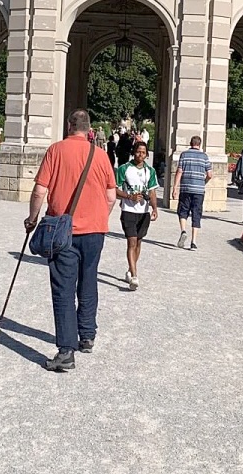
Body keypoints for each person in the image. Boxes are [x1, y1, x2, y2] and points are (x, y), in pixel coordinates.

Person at [25, 109, 116, 372]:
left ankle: (66, 351)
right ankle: (86, 335)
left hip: (63, 233)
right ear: (90, 130)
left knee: (63, 290)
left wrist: (32, 219)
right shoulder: (100, 155)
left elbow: (40, 190)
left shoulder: (56, 150)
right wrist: (98, 218)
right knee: (89, 281)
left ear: (68, 126)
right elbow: (111, 197)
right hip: (95, 231)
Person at [116, 140, 159, 288]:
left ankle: (130, 269)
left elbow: (152, 191)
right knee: (131, 241)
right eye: (138, 151)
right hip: (128, 210)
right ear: (133, 153)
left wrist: (155, 208)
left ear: (147, 155)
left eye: (143, 152)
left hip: (143, 211)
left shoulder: (150, 171)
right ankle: (134, 275)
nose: (140, 154)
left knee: (139, 242)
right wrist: (129, 197)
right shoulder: (124, 169)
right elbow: (114, 190)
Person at [171, 135, 212, 249]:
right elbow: (210, 174)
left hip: (185, 188)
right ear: (200, 144)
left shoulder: (184, 155)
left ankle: (183, 231)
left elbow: (179, 172)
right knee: (196, 214)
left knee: (183, 211)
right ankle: (193, 242)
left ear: (190, 143)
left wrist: (175, 187)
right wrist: (203, 182)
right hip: (199, 190)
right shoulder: (204, 157)